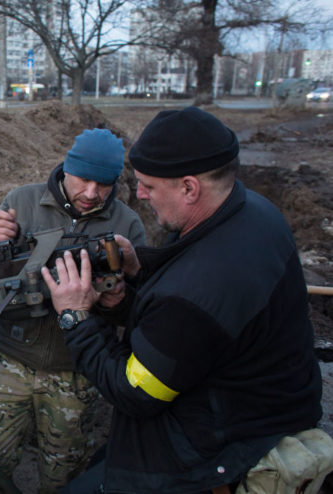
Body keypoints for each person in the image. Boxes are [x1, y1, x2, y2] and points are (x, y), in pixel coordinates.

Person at [42, 106, 332, 493]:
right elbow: (187, 299)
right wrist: (139, 267)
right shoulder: (255, 213)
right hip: (259, 410)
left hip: (216, 454)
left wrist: (75, 318)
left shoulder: (201, 291)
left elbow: (134, 392)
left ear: (189, 187)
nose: (140, 194)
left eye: (148, 185)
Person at [0, 128, 146, 493]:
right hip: (10, 364)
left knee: (64, 476)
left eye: (104, 184)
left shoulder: (127, 226)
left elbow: (141, 309)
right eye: (83, 179)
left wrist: (118, 303)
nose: (92, 193)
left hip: (77, 375)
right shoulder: (23, 201)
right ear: (67, 167)